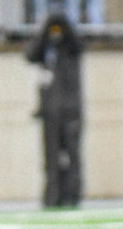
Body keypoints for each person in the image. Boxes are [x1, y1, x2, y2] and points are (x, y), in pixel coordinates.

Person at [25, 12, 83, 207]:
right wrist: (44, 30)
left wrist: (63, 23)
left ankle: (73, 196)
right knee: (50, 157)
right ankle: (52, 196)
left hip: (71, 110)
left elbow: (79, 45)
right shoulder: (45, 49)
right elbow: (30, 54)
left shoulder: (69, 47)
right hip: (50, 111)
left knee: (72, 156)